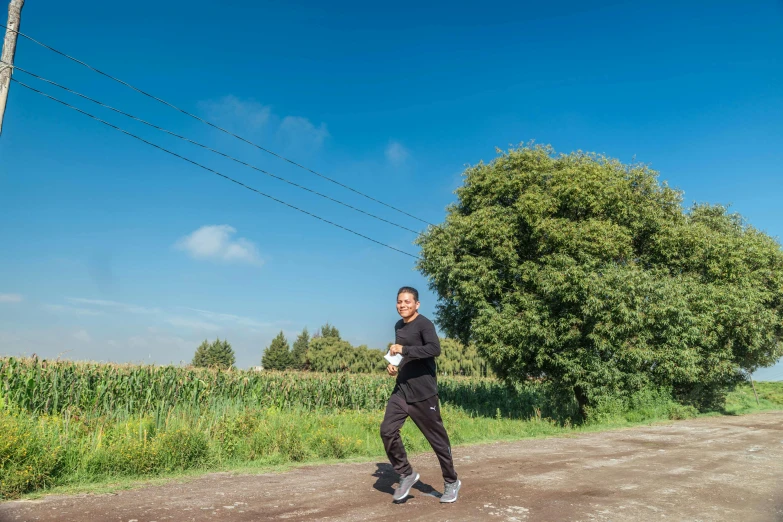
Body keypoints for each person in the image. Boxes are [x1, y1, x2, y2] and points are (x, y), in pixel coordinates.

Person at [381, 286, 461, 503]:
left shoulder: (424, 324)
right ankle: (406, 473)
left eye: (407, 302)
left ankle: (451, 481)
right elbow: (402, 353)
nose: (402, 305)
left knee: (437, 441)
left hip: (424, 393)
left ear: (417, 304)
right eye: (399, 301)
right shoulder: (399, 325)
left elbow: (434, 349)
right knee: (387, 431)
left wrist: (404, 351)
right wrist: (393, 365)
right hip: (402, 390)